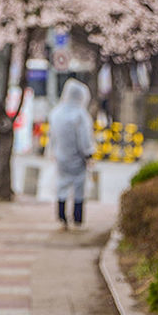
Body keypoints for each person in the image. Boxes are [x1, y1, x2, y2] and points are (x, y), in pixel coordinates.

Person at [48, 78, 94, 230]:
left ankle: (62, 217)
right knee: (79, 188)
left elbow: (51, 136)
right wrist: (88, 154)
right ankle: (77, 219)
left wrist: (52, 151)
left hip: (60, 157)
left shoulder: (56, 112)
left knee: (61, 186)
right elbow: (84, 139)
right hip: (78, 159)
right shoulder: (81, 115)